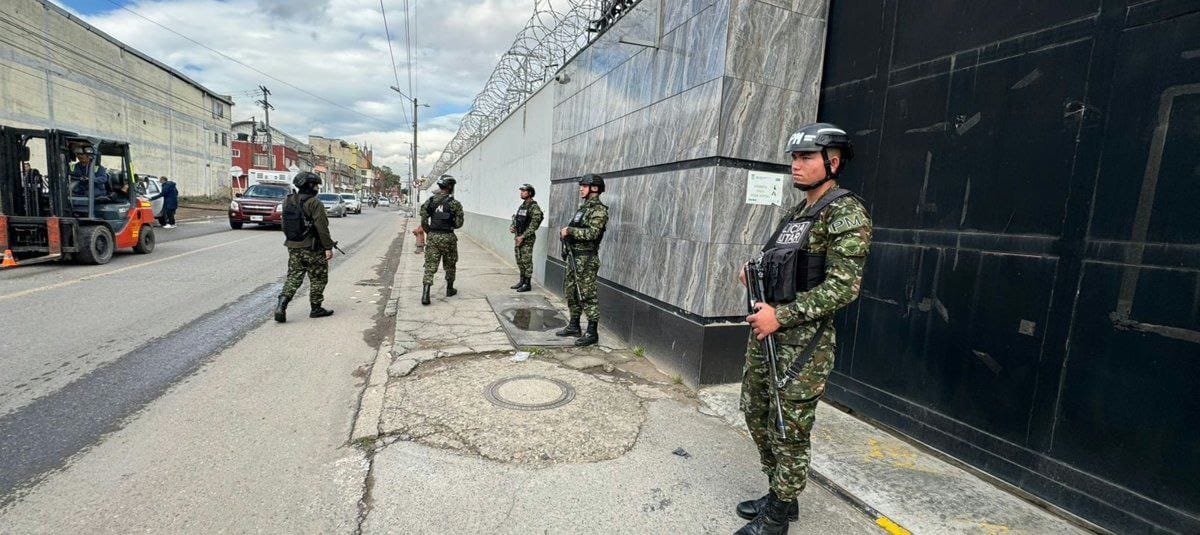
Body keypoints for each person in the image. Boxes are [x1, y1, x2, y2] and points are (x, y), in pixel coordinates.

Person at [734, 123, 872, 535]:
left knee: (788, 429)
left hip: (803, 346)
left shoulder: (846, 213)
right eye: (794, 157)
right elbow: (778, 261)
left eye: (806, 157)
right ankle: (780, 493)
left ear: (834, 162)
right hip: (768, 337)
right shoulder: (797, 214)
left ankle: (777, 518)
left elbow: (843, 288)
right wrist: (753, 273)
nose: (796, 164)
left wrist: (782, 316)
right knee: (757, 413)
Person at [274, 171, 336, 322]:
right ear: (310, 185)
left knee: (294, 277)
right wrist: (328, 247)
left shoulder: (287, 201)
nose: (317, 188)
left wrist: (293, 240)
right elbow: (322, 228)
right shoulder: (314, 203)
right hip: (312, 248)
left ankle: (281, 305)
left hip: (293, 246)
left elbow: (284, 225)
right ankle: (316, 308)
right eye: (316, 185)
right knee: (318, 278)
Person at [555, 174, 608, 347]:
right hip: (574, 257)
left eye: (584, 186)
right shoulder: (583, 209)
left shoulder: (599, 210)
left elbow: (592, 233)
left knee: (587, 294)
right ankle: (574, 325)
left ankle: (592, 332)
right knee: (571, 291)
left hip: (586, 259)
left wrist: (570, 231)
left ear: (594, 188)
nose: (581, 189)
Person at [419, 175, 464, 305]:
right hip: (448, 237)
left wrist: (429, 231)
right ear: (450, 187)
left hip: (433, 236)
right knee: (450, 264)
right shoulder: (454, 204)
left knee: (430, 265)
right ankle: (449, 289)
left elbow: (423, 220)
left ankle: (426, 295)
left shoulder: (430, 201)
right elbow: (459, 224)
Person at [509, 183, 543, 292]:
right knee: (519, 260)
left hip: (527, 239)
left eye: (524, 191)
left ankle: (527, 284)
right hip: (518, 236)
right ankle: (522, 281)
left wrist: (523, 237)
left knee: (526, 261)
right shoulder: (522, 206)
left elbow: (534, 225)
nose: (521, 193)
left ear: (530, 193)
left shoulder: (534, 207)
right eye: (521, 191)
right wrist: (513, 227)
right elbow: (517, 219)